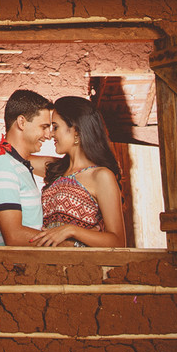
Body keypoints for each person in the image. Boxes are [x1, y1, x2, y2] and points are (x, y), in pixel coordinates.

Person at [30, 95, 127, 248]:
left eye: (56, 127)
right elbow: (17, 156)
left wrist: (71, 230)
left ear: (75, 130)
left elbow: (118, 242)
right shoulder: (56, 168)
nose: (51, 134)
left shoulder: (101, 176)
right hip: (47, 259)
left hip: (82, 261)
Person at [0, 89, 54, 245]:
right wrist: (72, 245)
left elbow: (67, 166)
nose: (48, 135)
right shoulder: (1, 166)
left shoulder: (16, 162)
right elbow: (14, 236)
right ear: (22, 122)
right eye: (44, 127)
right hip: (8, 261)